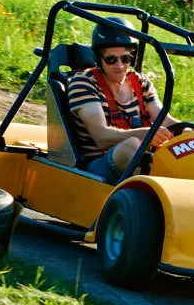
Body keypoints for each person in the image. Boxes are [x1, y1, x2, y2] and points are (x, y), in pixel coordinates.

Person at [68, 17, 181, 182]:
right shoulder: (83, 83)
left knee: (185, 135)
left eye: (125, 59)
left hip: (143, 157)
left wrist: (192, 132)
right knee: (131, 146)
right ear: (99, 58)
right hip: (99, 165)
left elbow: (165, 120)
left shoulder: (140, 82)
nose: (120, 65)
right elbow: (100, 136)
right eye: (111, 59)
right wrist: (147, 133)